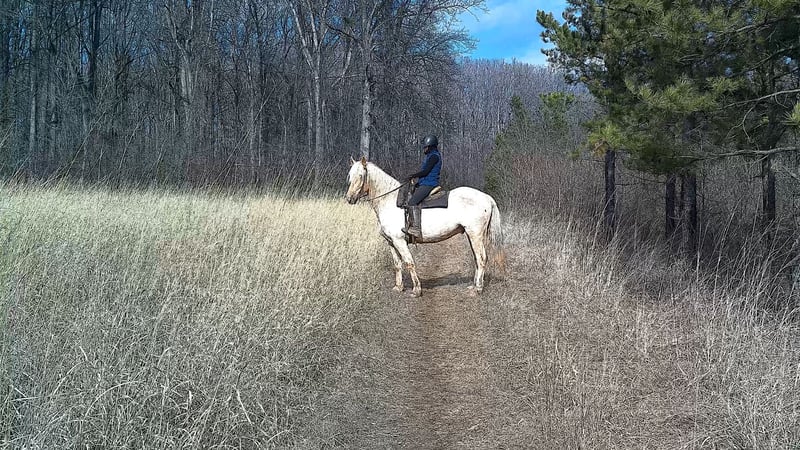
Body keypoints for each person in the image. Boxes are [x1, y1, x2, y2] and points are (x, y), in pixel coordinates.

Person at [402, 134, 442, 238]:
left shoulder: (434, 156)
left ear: (430, 146)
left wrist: (413, 176)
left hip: (430, 184)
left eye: (425, 147)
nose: (424, 149)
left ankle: (416, 229)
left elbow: (426, 172)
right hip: (425, 183)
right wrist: (417, 183)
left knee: (412, 202)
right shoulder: (430, 156)